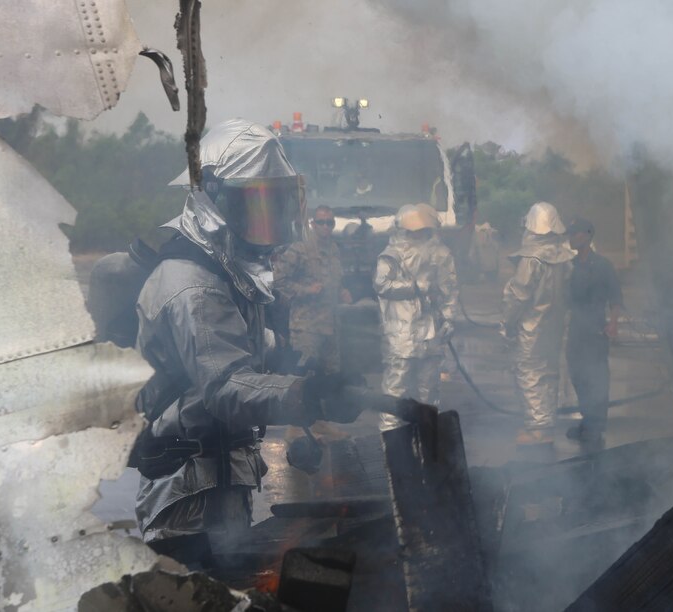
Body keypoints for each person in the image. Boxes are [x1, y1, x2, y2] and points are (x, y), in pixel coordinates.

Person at [132, 119, 358, 565]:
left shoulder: (225, 271)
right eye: (255, 206)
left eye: (274, 205)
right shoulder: (192, 285)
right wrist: (303, 395)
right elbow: (225, 389)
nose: (267, 221)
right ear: (213, 199)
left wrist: (291, 360)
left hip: (220, 476)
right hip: (188, 494)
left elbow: (242, 347)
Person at [375, 204, 459, 430]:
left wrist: (449, 317)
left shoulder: (440, 253)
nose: (417, 235)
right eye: (413, 231)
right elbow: (381, 285)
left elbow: (449, 288)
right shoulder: (391, 255)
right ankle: (391, 443)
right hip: (400, 332)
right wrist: (414, 286)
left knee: (428, 391)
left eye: (421, 231)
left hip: (430, 333)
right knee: (395, 391)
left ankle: (428, 444)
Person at [502, 202, 574, 447]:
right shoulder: (564, 256)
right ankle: (546, 422)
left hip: (532, 326)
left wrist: (507, 323)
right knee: (549, 373)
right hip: (554, 325)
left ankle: (537, 429)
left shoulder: (531, 258)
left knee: (530, 374)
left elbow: (518, 295)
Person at [272, 205, 352, 375]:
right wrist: (306, 290)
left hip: (331, 327)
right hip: (307, 329)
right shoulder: (300, 249)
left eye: (329, 223)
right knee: (305, 377)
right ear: (313, 224)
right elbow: (277, 279)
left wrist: (342, 291)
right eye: (321, 222)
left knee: (330, 378)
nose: (325, 226)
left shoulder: (334, 249)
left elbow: (335, 280)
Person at [564, 218, 622, 445]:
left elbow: (616, 297)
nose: (570, 238)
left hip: (597, 328)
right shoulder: (571, 266)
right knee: (578, 375)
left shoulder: (603, 265)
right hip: (577, 328)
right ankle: (587, 420)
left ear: (587, 236)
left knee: (596, 377)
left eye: (575, 233)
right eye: (570, 234)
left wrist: (613, 323)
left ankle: (597, 426)